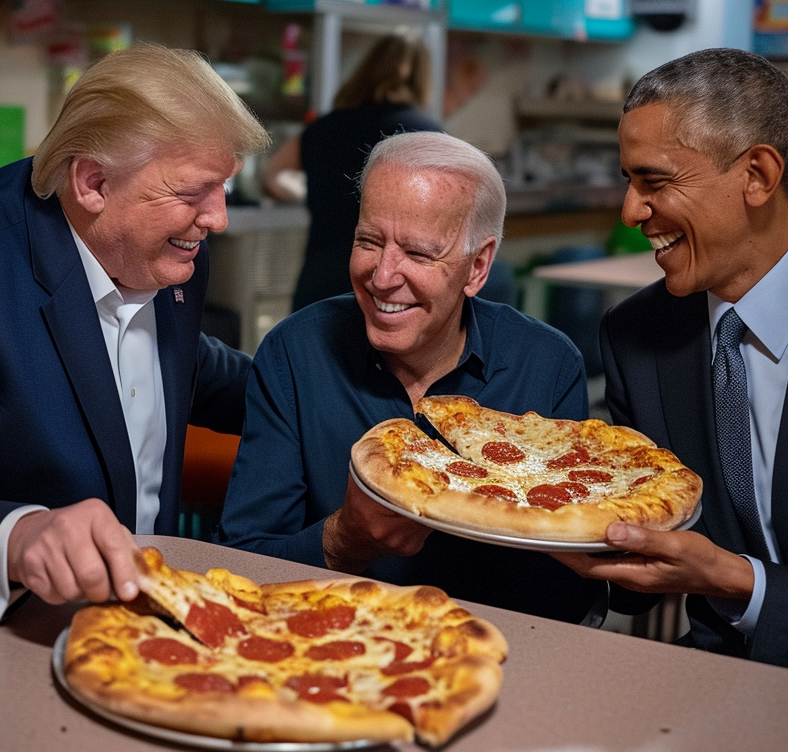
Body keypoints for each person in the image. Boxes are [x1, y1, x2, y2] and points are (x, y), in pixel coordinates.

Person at [553, 47, 788, 690]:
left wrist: (735, 582)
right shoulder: (636, 334)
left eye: (655, 181)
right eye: (628, 181)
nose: (630, 212)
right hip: (703, 690)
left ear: (757, 174)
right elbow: (637, 586)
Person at [0, 44, 269, 624]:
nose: (218, 217)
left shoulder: (170, 246)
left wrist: (310, 386)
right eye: (193, 193)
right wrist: (21, 537)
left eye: (223, 187)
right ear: (92, 182)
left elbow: (180, 360)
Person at [218, 131, 628, 625]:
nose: (383, 276)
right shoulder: (294, 352)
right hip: (326, 645)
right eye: (369, 241)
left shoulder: (545, 364)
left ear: (478, 267)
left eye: (417, 254)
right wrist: (345, 539)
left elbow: (561, 594)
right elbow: (240, 567)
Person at [263, 34, 440, 312]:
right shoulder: (426, 135)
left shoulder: (324, 128)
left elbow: (273, 175)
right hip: (386, 286)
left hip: (319, 280)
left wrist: (312, 194)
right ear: (422, 78)